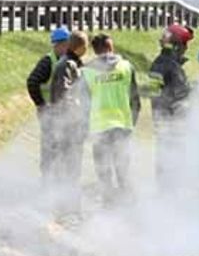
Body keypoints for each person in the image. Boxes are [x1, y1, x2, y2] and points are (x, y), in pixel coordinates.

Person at [80, 33, 141, 206]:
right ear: (109, 48)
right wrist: (131, 124)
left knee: (103, 173)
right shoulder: (126, 67)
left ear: (95, 50)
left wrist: (85, 128)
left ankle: (109, 208)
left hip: (99, 129)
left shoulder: (87, 72)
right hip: (123, 126)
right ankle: (129, 208)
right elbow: (135, 100)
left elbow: (83, 104)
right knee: (123, 171)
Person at [149, 24, 194, 191]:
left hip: (169, 122)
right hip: (171, 123)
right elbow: (170, 96)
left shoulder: (166, 64)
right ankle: (169, 197)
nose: (186, 49)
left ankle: (170, 194)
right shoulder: (166, 66)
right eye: (184, 45)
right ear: (176, 45)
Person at [49, 30, 89, 215]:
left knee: (74, 167)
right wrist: (76, 114)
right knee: (68, 167)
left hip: (74, 125)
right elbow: (63, 95)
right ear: (80, 47)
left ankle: (71, 205)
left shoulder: (74, 64)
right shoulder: (66, 65)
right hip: (68, 126)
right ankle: (64, 206)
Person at [27, 26, 71, 185]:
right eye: (67, 44)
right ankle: (47, 183)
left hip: (65, 114)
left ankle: (61, 182)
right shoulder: (48, 61)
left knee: (65, 149)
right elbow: (32, 82)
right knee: (50, 149)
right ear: (59, 45)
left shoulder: (68, 61)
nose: (69, 48)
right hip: (51, 113)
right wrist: (42, 105)